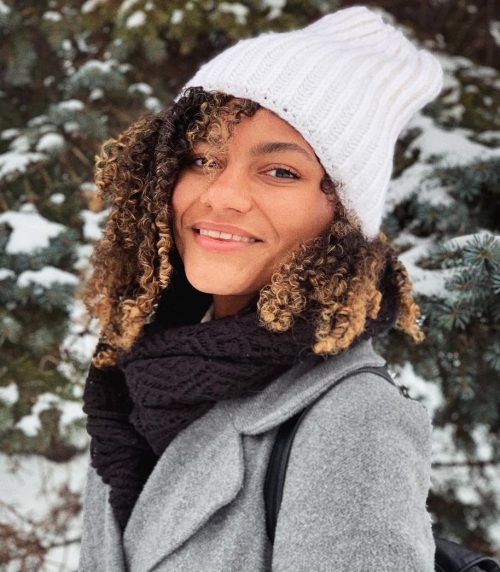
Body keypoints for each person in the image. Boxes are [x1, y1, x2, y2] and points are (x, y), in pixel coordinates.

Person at [78, 5, 443, 571]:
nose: (220, 195)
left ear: (340, 217)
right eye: (202, 158)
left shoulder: (352, 417)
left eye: (279, 171)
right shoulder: (140, 378)